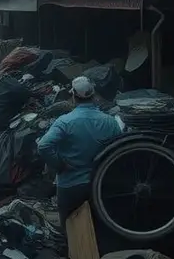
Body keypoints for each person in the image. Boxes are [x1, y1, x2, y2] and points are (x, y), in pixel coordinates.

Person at [36, 76, 123, 222]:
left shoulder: (65, 121)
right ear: (94, 96)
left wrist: (59, 165)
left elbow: (44, 145)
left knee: (70, 227)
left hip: (71, 185)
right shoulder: (110, 122)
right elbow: (119, 150)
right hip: (101, 185)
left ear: (73, 97)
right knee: (99, 227)